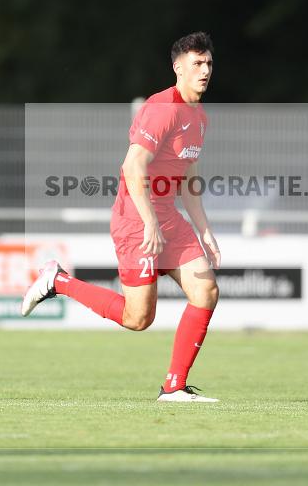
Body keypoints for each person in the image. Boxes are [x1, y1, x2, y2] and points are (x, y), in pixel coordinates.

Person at [21, 32, 221, 403]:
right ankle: (58, 281)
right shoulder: (162, 109)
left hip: (168, 218)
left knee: (206, 290)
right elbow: (133, 166)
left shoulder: (199, 116)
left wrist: (204, 230)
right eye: (196, 63)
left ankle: (174, 387)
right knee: (137, 318)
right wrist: (148, 222)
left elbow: (188, 175)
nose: (204, 70)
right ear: (178, 68)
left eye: (208, 62)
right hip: (135, 218)